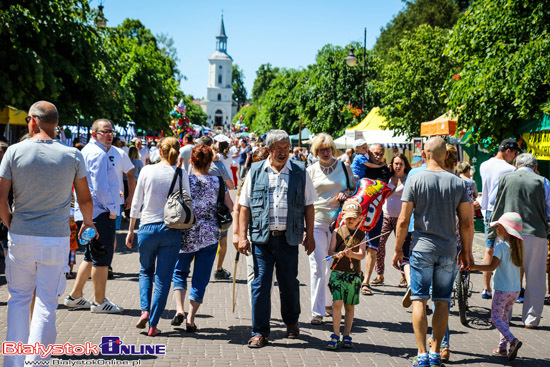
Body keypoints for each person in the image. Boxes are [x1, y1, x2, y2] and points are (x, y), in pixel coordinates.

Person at [0, 101, 96, 366]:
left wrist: (11, 224)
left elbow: (0, 198)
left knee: (18, 299)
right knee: (45, 303)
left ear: (32, 120)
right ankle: (37, 362)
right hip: (55, 237)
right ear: (56, 124)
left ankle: (13, 362)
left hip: (21, 234)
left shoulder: (14, 152)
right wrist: (88, 224)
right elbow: (85, 199)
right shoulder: (72, 155)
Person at [392, 137, 473, 367]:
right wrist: (466, 251)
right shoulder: (458, 182)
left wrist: (398, 249)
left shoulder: (414, 179)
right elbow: (466, 223)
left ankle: (421, 354)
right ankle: (437, 351)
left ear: (424, 153)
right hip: (448, 249)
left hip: (421, 248)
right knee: (442, 302)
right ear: (445, 155)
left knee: (419, 300)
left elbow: (403, 219)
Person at [238, 129, 317, 348]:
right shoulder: (256, 170)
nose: (283, 152)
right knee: (260, 284)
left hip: (289, 239)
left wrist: (310, 235)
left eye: (286, 148)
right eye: (279, 148)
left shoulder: (300, 171)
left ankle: (291, 322)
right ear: (270, 149)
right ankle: (260, 332)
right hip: (262, 239)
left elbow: (309, 205)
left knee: (289, 284)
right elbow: (244, 207)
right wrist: (241, 236)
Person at [126, 137, 190, 337]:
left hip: (146, 228)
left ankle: (144, 311)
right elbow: (188, 201)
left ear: (159, 151)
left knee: (145, 271)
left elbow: (137, 201)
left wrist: (130, 229)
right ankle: (153, 324)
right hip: (170, 229)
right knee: (163, 279)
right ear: (176, 153)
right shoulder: (181, 173)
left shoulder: (146, 170)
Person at [171, 144, 234, 332]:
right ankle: (191, 317)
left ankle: (179, 309)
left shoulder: (184, 180)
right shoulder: (218, 182)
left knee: (180, 271)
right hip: (210, 234)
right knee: (201, 277)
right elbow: (229, 206)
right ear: (209, 162)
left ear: (192, 161)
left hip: (185, 232)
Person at [65, 119, 122, 313]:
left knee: (90, 256)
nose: (109, 135)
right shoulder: (98, 154)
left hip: (89, 213)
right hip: (100, 213)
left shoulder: (88, 152)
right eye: (104, 132)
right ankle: (100, 301)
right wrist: (113, 209)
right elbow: (100, 188)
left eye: (110, 131)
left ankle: (75, 296)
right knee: (101, 258)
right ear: (93, 133)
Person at [489, 153, 550, 329]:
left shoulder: (505, 178)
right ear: (535, 167)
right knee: (536, 276)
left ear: (516, 165)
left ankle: (503, 315)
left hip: (508, 232)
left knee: (504, 273)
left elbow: (493, 201)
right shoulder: (543, 182)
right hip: (535, 233)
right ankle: (531, 319)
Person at [306, 133, 355, 325]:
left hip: (339, 224)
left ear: (333, 149)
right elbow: (305, 198)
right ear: (316, 152)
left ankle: (327, 304)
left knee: (331, 265)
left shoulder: (343, 167)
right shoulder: (310, 170)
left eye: (328, 149)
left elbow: (354, 189)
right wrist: (305, 228)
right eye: (321, 150)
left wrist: (346, 194)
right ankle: (316, 312)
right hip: (316, 222)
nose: (325, 153)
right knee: (318, 266)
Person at [471, 212, 524, 361]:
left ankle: (512, 340)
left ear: (507, 230)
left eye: (500, 227)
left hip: (502, 290)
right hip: (514, 290)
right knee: (504, 318)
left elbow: (490, 267)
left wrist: (474, 266)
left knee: (495, 318)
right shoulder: (518, 248)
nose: (497, 229)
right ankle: (502, 347)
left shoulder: (500, 248)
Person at [479, 139, 519, 299]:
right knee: (509, 248)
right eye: (515, 153)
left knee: (489, 248)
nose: (514, 156)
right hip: (504, 211)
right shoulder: (510, 169)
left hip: (488, 211)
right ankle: (508, 286)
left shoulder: (484, 165)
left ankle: (486, 288)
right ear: (508, 151)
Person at [326, 200, 366, 350]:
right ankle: (335, 334)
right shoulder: (337, 232)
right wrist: (337, 254)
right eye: (347, 217)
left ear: (359, 218)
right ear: (342, 216)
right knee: (337, 303)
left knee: (349, 306)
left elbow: (362, 255)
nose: (350, 220)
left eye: (353, 218)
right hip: (337, 273)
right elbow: (330, 252)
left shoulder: (362, 234)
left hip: (353, 275)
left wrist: (352, 254)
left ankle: (347, 334)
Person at [231, 147, 270, 301]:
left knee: (266, 272)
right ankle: (256, 308)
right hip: (252, 231)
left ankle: (261, 307)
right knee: (253, 271)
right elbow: (237, 209)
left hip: (270, 231)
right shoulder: (248, 179)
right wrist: (237, 234)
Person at [371, 154, 411, 287]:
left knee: (403, 247)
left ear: (405, 165)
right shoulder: (387, 177)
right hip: (386, 215)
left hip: (402, 218)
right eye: (396, 164)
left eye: (400, 163)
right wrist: (386, 173)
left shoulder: (409, 178)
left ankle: (404, 276)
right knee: (380, 244)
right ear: (392, 165)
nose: (398, 166)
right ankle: (379, 274)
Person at [358, 143, 391, 296]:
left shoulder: (384, 170)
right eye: (376, 153)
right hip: (358, 212)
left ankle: (366, 282)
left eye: (381, 154)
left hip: (376, 212)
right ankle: (358, 274)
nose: (378, 157)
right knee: (354, 244)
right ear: (369, 152)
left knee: (372, 247)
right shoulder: (362, 165)